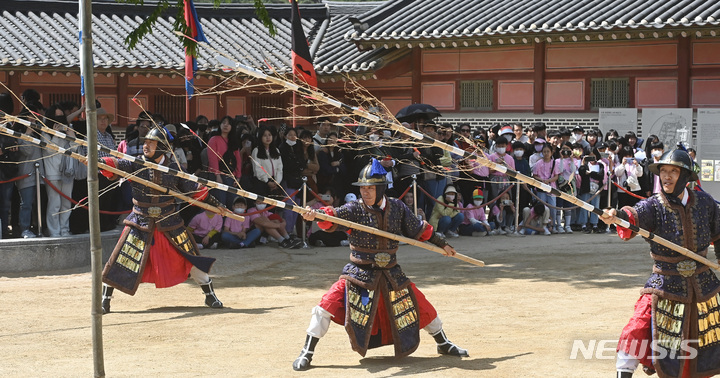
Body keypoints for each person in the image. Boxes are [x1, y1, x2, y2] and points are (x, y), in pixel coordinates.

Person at [293, 159, 468, 371]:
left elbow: (419, 229)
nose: (365, 192)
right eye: (363, 188)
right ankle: (307, 351)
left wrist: (442, 243)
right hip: (359, 271)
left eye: (370, 188)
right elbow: (332, 217)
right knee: (326, 305)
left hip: (391, 271)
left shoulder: (397, 208)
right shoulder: (354, 209)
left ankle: (443, 343)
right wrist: (317, 215)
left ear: (381, 188)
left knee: (421, 304)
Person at [601, 148, 720, 378]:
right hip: (665, 282)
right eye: (663, 171)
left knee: (705, 342)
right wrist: (617, 217)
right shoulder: (654, 205)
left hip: (703, 284)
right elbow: (632, 216)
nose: (666, 176)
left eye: (673, 171)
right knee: (635, 331)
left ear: (685, 176)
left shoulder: (706, 203)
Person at [99, 126, 226, 314]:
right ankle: (105, 300)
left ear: (161, 147)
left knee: (190, 258)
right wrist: (101, 162)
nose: (146, 145)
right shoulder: (136, 163)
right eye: (146, 142)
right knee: (122, 258)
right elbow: (117, 165)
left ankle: (210, 296)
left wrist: (214, 203)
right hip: (140, 220)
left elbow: (193, 188)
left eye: (151, 143)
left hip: (169, 221)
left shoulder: (174, 168)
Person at [43, 105, 76, 237]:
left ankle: (64, 229)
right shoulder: (45, 131)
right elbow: (49, 150)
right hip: (52, 172)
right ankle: (54, 231)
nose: (59, 120)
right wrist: (56, 135)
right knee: (54, 203)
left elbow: (75, 150)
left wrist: (72, 136)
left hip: (68, 172)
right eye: (56, 117)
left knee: (66, 203)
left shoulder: (69, 129)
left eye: (61, 117)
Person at [207, 116, 242, 208]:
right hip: (217, 175)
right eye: (224, 122)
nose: (226, 125)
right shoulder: (214, 139)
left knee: (232, 203)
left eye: (229, 123)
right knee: (220, 203)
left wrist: (238, 176)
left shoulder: (233, 141)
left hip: (231, 176)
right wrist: (217, 175)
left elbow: (238, 160)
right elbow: (212, 159)